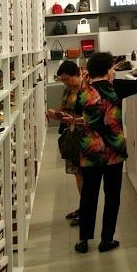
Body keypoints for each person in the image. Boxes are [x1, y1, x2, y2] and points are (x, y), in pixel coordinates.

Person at [73, 52, 137, 253]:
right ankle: (106, 240)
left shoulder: (84, 92)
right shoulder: (116, 87)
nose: (114, 70)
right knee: (112, 196)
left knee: (88, 195)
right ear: (108, 70)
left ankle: (84, 240)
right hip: (113, 150)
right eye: (112, 67)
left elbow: (78, 110)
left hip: (90, 150)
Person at [46, 59, 85, 225]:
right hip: (72, 134)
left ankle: (86, 210)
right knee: (78, 173)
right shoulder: (67, 90)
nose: (65, 82)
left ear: (77, 74)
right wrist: (56, 114)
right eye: (62, 79)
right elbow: (64, 111)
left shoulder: (87, 89)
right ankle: (84, 208)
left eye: (68, 79)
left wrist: (73, 118)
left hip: (85, 135)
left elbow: (91, 114)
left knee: (84, 174)